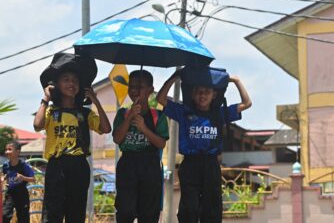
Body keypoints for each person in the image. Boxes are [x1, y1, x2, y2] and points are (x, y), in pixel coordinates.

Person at [156, 69, 252, 223]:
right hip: (190, 164)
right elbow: (160, 98)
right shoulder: (184, 112)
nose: (202, 95)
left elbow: (247, 103)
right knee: (190, 208)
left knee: (211, 208)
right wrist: (175, 77)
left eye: (206, 92)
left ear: (214, 94)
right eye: (199, 92)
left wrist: (236, 81)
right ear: (193, 95)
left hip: (211, 164)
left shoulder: (220, 113)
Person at [33, 52, 111, 223]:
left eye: (75, 80)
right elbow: (37, 125)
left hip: (79, 166)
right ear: (56, 85)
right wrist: (45, 98)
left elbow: (106, 128)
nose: (71, 83)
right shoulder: (51, 111)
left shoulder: (85, 113)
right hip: (57, 165)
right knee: (52, 211)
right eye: (66, 79)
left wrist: (96, 101)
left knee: (75, 212)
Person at [113, 70, 169, 223]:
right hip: (128, 164)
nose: (135, 91)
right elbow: (117, 139)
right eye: (132, 86)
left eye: (140, 87)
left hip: (150, 165)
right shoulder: (122, 114)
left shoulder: (158, 116)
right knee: (125, 210)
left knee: (149, 213)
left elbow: (161, 143)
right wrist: (130, 117)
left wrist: (144, 128)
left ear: (150, 90)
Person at [2, 140, 35, 223]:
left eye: (9, 149)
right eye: (6, 149)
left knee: (23, 218)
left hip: (22, 195)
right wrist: (4, 178)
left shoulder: (23, 165)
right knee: (4, 215)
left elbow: (33, 179)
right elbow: (6, 175)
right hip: (10, 194)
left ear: (17, 152)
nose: (7, 152)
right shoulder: (5, 165)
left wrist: (23, 178)